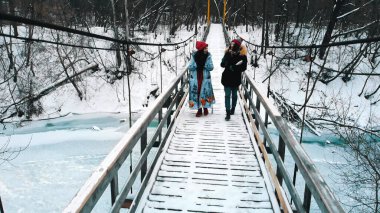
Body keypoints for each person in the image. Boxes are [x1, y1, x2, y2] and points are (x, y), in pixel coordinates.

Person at [221, 38, 247, 121]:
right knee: (227, 95)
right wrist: (226, 63)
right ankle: (228, 113)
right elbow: (222, 64)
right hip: (227, 77)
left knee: (234, 95)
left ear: (237, 46)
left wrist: (235, 67)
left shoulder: (242, 56)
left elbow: (244, 67)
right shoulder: (227, 53)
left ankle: (233, 108)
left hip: (235, 78)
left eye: (233, 44)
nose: (231, 45)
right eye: (231, 44)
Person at [188, 41, 215, 117]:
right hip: (196, 77)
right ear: (201, 49)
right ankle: (199, 109)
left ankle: (205, 108)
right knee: (198, 92)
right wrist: (196, 64)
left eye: (207, 48)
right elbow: (190, 67)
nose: (207, 49)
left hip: (205, 77)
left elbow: (211, 67)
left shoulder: (208, 56)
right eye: (205, 48)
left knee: (205, 92)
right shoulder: (194, 56)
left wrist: (205, 65)